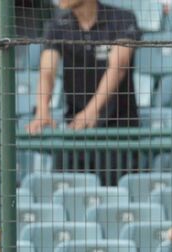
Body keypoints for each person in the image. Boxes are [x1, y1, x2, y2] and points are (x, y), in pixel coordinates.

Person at [29, 0, 139, 181]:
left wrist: (92, 111)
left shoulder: (122, 19)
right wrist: (42, 111)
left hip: (118, 134)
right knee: (66, 194)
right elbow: (47, 71)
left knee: (113, 199)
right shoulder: (57, 24)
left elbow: (119, 66)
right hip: (77, 132)